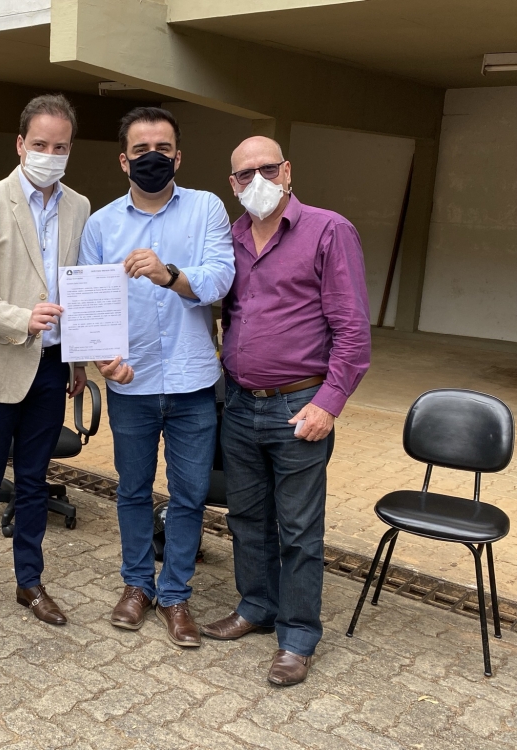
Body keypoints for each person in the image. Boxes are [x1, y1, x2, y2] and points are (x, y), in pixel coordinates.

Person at [201, 136, 370, 686]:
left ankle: (297, 637)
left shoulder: (329, 231)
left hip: (300, 407)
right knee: (247, 519)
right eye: (244, 174)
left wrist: (329, 404)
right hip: (240, 403)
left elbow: (352, 330)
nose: (257, 181)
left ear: (288, 171)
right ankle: (256, 607)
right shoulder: (230, 238)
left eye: (267, 169)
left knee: (298, 530)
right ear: (232, 184)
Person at [79, 107, 234, 648]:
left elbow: (221, 278)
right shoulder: (101, 225)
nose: (153, 158)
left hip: (193, 383)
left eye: (162, 149)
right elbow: (89, 306)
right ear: (124, 160)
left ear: (178, 156)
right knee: (132, 491)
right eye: (141, 150)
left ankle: (175, 595)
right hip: (131, 384)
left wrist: (169, 275)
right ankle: (137, 585)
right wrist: (102, 359)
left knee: (189, 495)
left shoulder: (207, 208)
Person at [0, 94, 90, 627]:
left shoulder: (80, 207)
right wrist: (21, 319)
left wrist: (80, 359)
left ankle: (30, 582)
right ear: (20, 144)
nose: (50, 155)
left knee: (34, 481)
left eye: (61, 147)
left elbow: (80, 289)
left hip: (52, 368)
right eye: (40, 144)